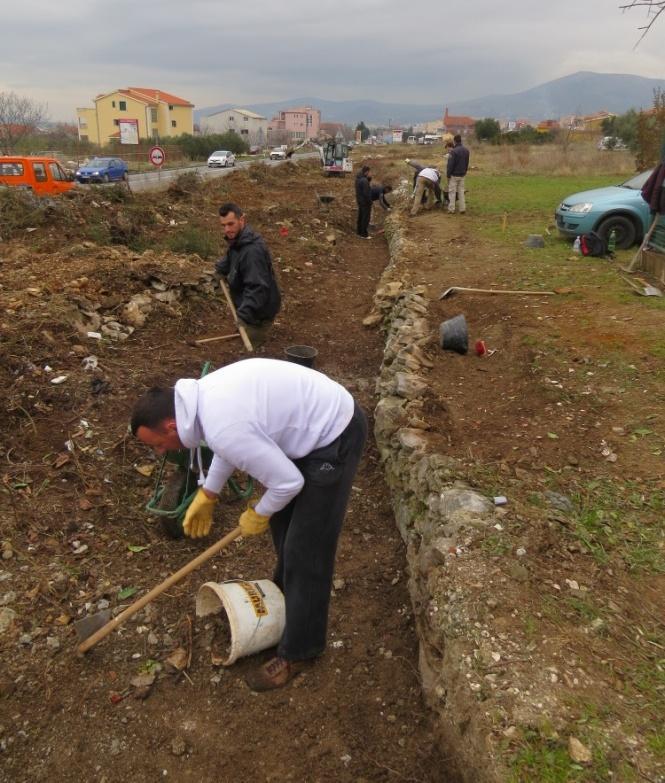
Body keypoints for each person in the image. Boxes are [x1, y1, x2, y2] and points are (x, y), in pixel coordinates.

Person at [131, 358, 368, 692]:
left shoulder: (220, 421)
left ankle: (300, 650)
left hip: (335, 433)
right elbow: (230, 445)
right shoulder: (203, 403)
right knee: (284, 527)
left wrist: (259, 511)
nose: (159, 453)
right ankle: (287, 608)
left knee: (306, 547)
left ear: (171, 426)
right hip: (305, 428)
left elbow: (286, 483)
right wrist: (208, 493)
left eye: (156, 445)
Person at [214, 203, 281, 349]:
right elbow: (232, 255)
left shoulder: (252, 252)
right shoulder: (238, 240)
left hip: (260, 311)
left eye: (231, 224)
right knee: (242, 334)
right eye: (223, 225)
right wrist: (221, 269)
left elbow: (257, 287)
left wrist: (244, 315)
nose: (227, 230)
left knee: (247, 350)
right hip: (249, 304)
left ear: (242, 220)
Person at [447, 134, 470, 214]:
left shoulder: (453, 152)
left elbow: (450, 165)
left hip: (454, 175)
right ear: (461, 140)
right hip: (462, 175)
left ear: (455, 141)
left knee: (452, 192)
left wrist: (448, 175)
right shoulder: (466, 151)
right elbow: (467, 163)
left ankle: (451, 209)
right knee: (461, 192)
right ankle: (462, 208)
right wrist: (464, 171)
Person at [355, 165, 372, 239]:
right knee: (365, 218)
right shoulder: (364, 181)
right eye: (369, 172)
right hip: (365, 202)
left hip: (359, 200)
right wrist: (370, 201)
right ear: (366, 172)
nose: (369, 174)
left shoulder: (358, 179)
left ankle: (359, 232)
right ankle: (364, 234)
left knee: (361, 216)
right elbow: (366, 193)